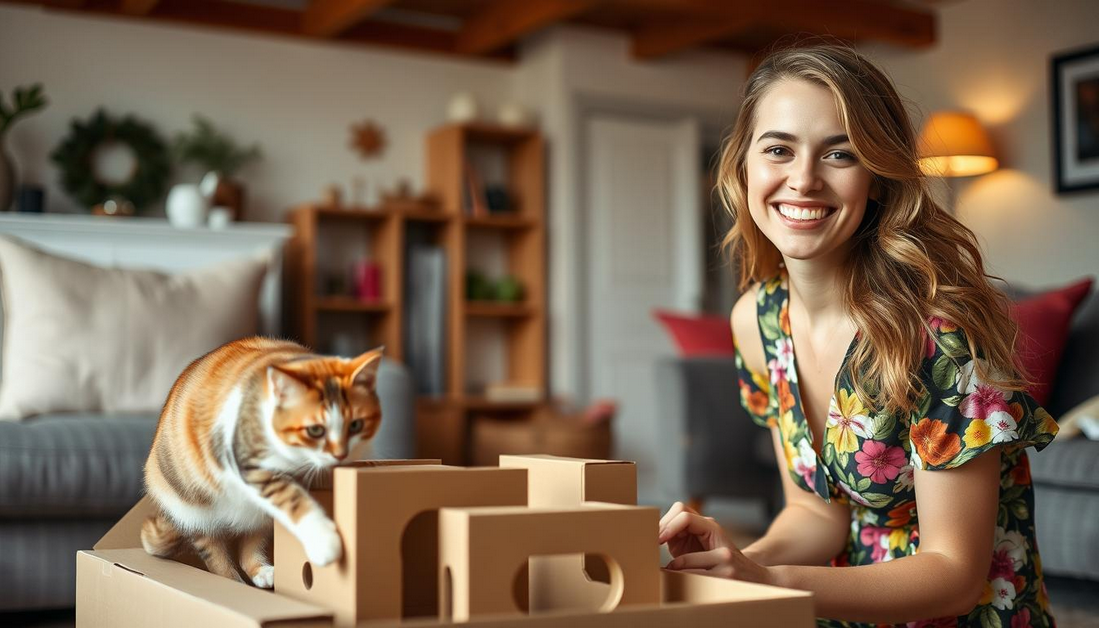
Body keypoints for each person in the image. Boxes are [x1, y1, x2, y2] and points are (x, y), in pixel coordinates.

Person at [657, 44, 1059, 627]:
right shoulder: (758, 321)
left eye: (840, 154)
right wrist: (738, 564)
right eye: (778, 149)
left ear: (876, 178)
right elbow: (817, 515)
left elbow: (953, 573)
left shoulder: (938, 336)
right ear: (744, 166)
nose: (803, 180)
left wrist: (772, 581)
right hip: (844, 608)